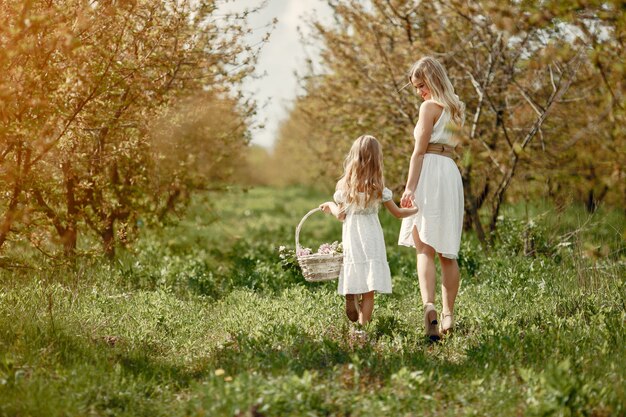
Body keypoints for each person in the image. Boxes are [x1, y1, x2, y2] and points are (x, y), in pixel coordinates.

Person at [398, 56, 465, 341]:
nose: (419, 92)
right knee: (447, 251)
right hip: (450, 172)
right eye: (416, 87)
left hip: (430, 172)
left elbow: (419, 151)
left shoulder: (429, 108)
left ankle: (430, 306)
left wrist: (410, 187)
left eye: (421, 85)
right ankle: (448, 314)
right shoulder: (457, 109)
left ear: (432, 80)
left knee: (423, 246)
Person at [320, 135, 417, 326]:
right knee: (369, 288)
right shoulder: (379, 189)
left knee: (354, 269)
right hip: (372, 238)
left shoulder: (345, 188)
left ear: (354, 157)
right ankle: (362, 330)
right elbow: (398, 213)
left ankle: (351, 294)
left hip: (352, 237)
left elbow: (340, 216)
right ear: (377, 159)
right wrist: (416, 209)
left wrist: (330, 205)